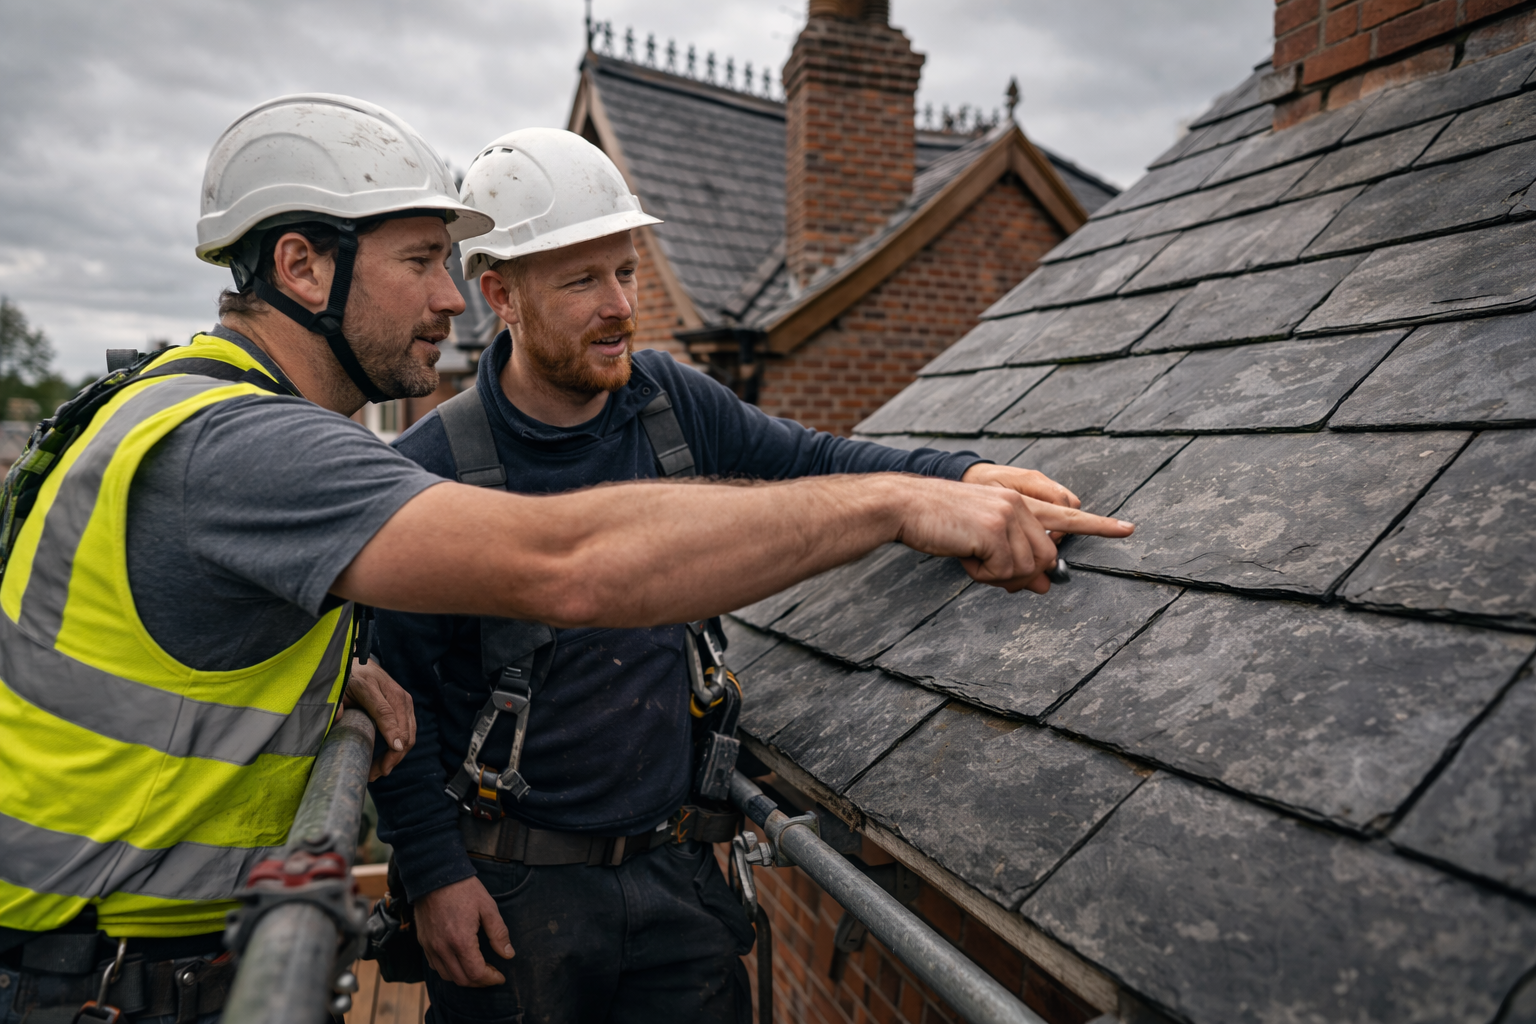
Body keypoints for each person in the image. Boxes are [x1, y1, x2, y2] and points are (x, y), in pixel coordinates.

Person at [0, 98, 1126, 1024]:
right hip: (103, 976)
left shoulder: (181, 414)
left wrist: (958, 475)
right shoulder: (251, 447)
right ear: (301, 265)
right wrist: (896, 503)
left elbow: (175, 653)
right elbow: (570, 566)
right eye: (421, 263)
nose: (448, 296)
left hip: (133, 950)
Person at [368, 128, 1135, 1024]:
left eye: (627, 272)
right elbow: (398, 707)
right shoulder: (435, 472)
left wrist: (958, 479)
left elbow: (815, 458)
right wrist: (434, 875)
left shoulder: (667, 404)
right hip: (514, 889)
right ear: (500, 294)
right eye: (582, 282)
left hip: (676, 873)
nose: (620, 306)